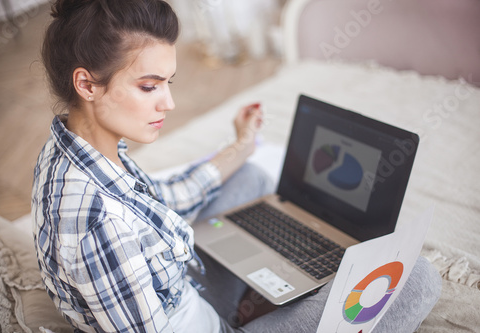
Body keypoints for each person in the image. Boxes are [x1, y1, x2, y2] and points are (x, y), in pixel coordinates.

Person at [32, 1, 441, 332]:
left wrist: (242, 145)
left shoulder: (72, 147)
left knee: (249, 176)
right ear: (86, 84)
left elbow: (163, 200)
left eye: (167, 84)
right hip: (195, 318)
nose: (168, 104)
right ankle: (256, 306)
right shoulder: (94, 220)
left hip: (181, 288)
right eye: (149, 86)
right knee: (415, 278)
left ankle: (259, 297)